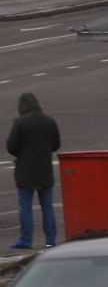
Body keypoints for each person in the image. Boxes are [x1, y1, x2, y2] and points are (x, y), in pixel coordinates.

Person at [7, 92, 60, 250]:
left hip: (25, 170)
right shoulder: (50, 121)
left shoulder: (20, 122)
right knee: (47, 206)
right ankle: (50, 240)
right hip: (45, 168)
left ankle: (26, 240)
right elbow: (56, 144)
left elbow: (12, 147)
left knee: (25, 206)